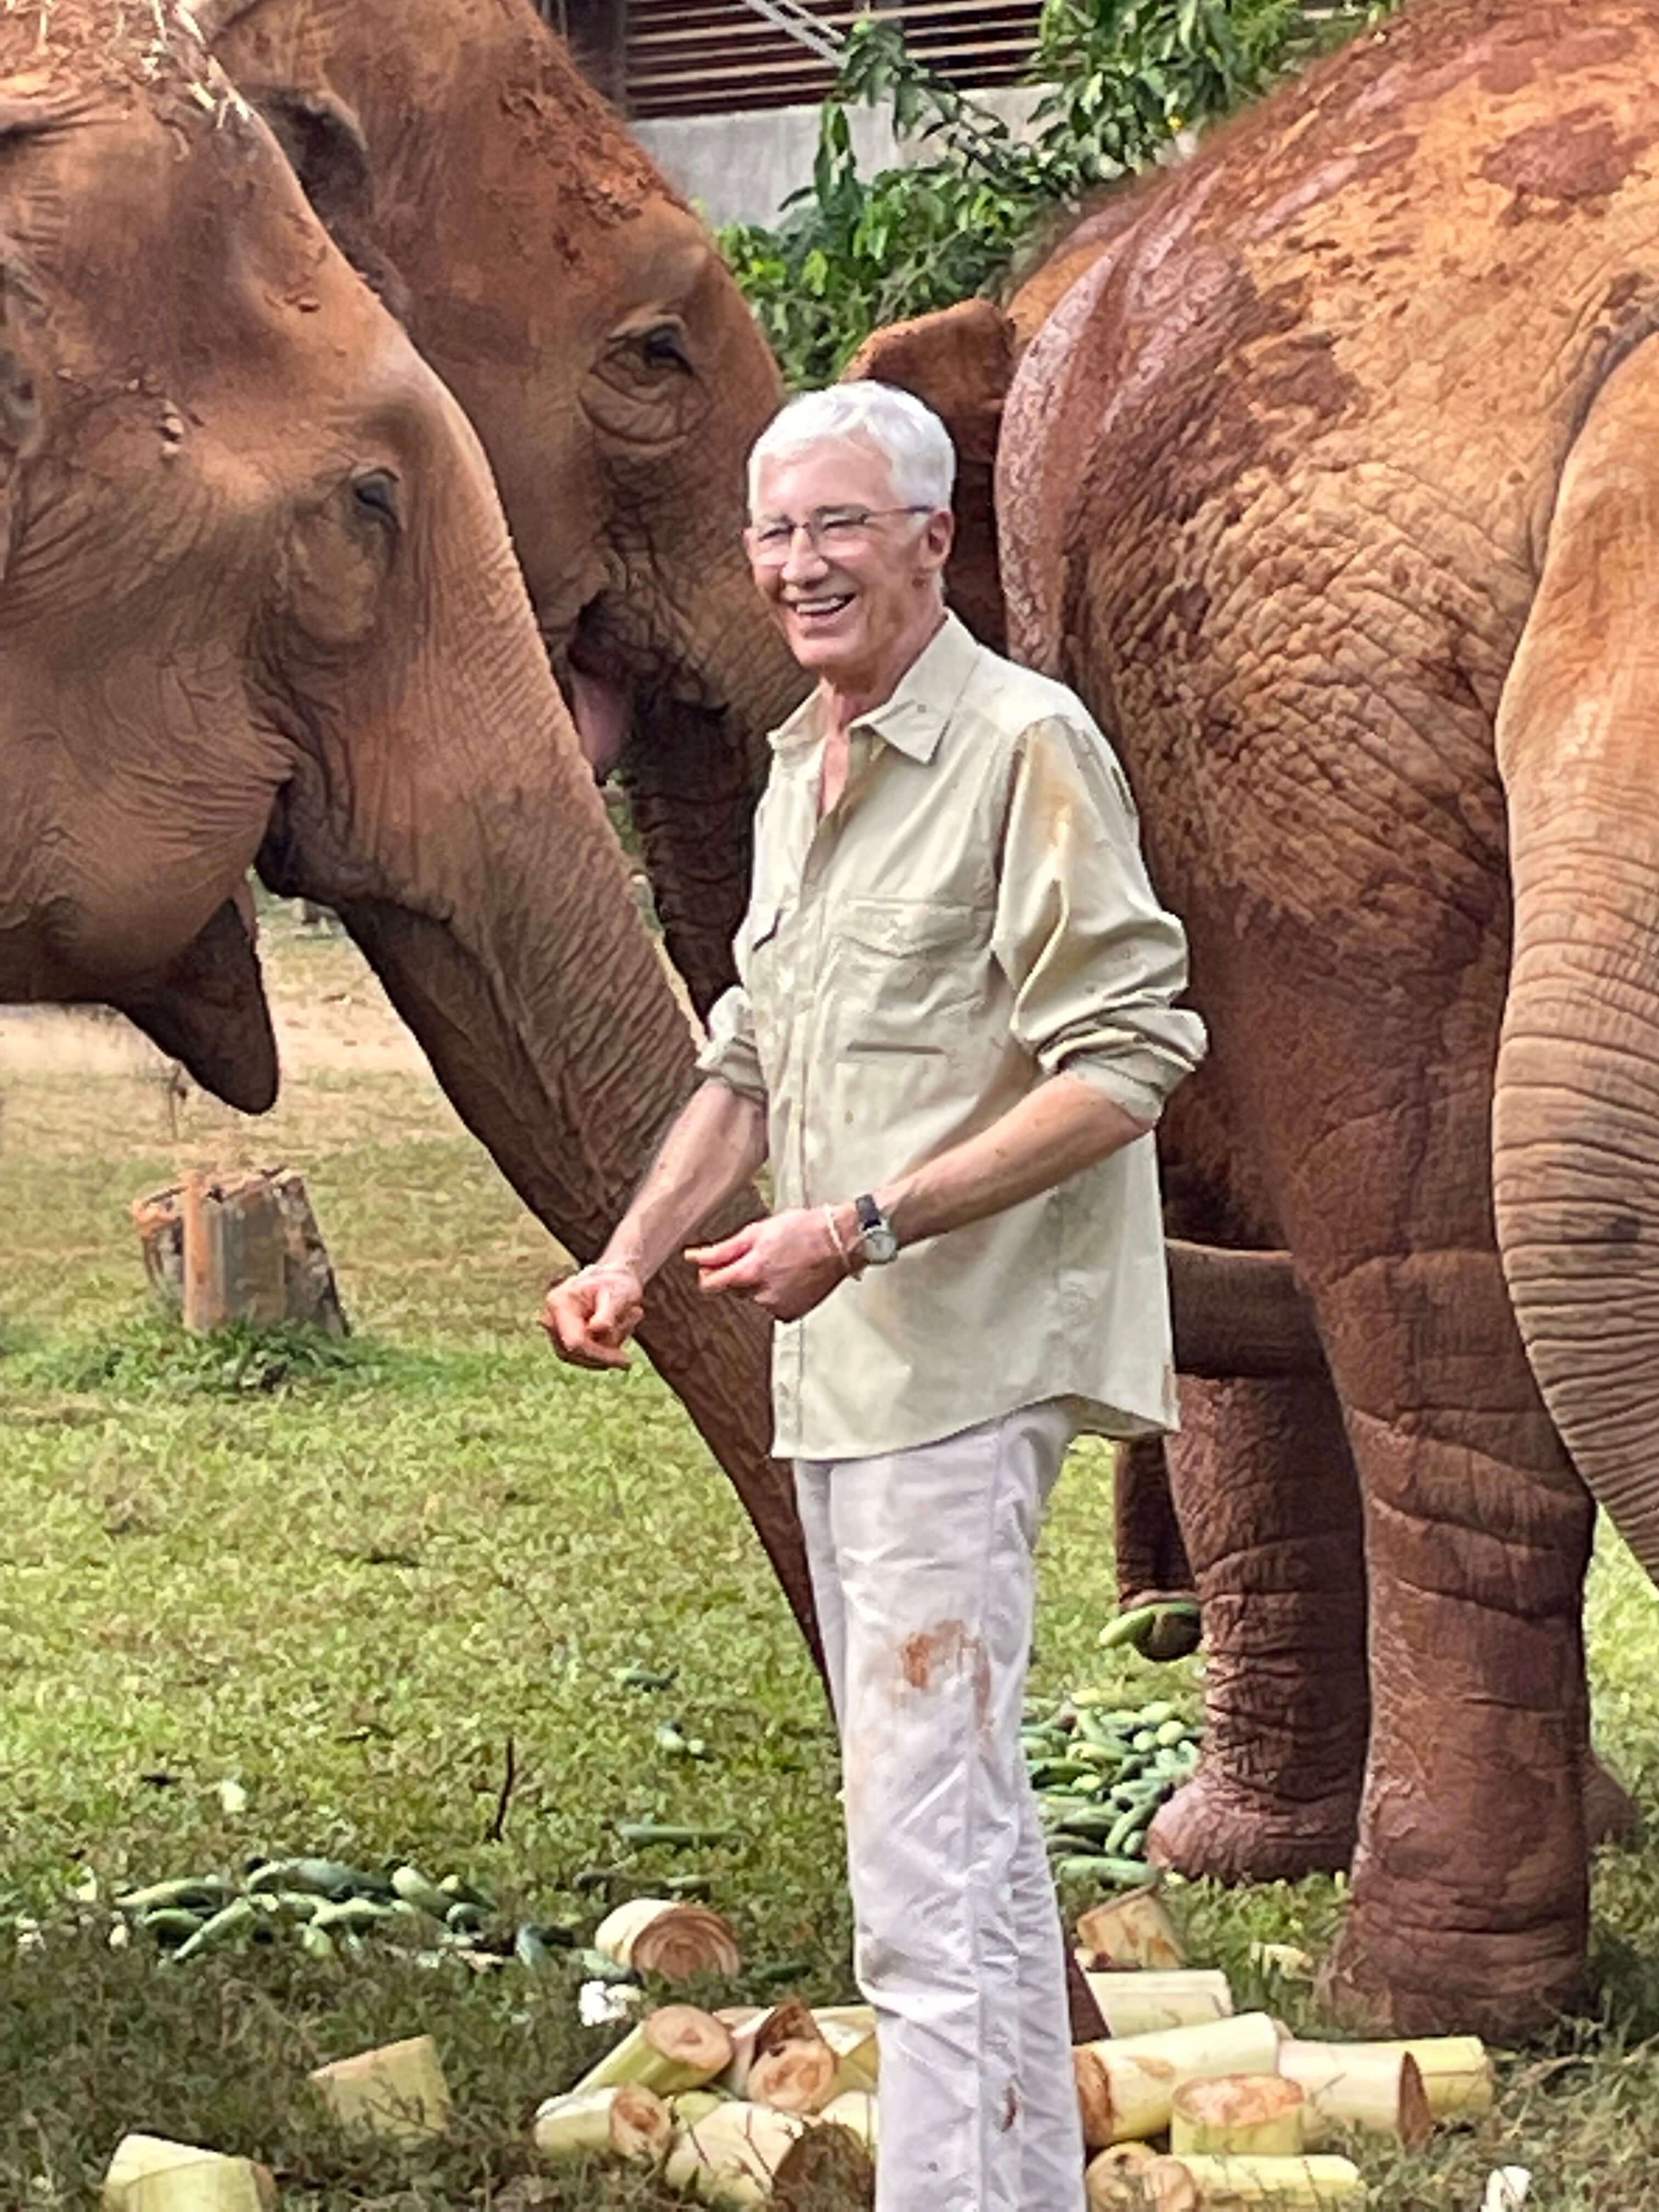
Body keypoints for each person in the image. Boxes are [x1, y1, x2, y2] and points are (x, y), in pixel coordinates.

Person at [543, 380, 1206, 2211]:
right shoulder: (797, 766)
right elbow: (750, 1056)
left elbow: (1130, 1051)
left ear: (932, 537)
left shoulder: (1022, 745)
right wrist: (631, 1250)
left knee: (919, 1863)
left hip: (962, 1353)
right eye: (776, 532)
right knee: (965, 1839)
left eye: (842, 525)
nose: (802, 565)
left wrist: (872, 1226)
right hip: (842, 1374)